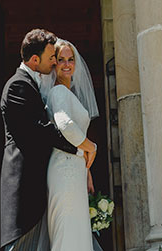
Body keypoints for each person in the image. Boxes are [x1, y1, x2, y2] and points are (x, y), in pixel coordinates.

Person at [0, 29, 97, 251]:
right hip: (23, 183)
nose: (56, 63)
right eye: (53, 57)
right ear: (36, 60)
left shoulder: (37, 86)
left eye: (66, 59)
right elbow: (42, 131)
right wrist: (87, 148)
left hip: (45, 179)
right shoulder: (18, 85)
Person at [40, 39, 104, 251]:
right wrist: (91, 147)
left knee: (78, 232)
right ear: (54, 64)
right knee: (67, 232)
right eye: (61, 60)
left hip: (75, 168)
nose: (66, 64)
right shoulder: (58, 92)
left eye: (70, 59)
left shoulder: (69, 94)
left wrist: (86, 171)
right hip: (63, 169)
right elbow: (65, 125)